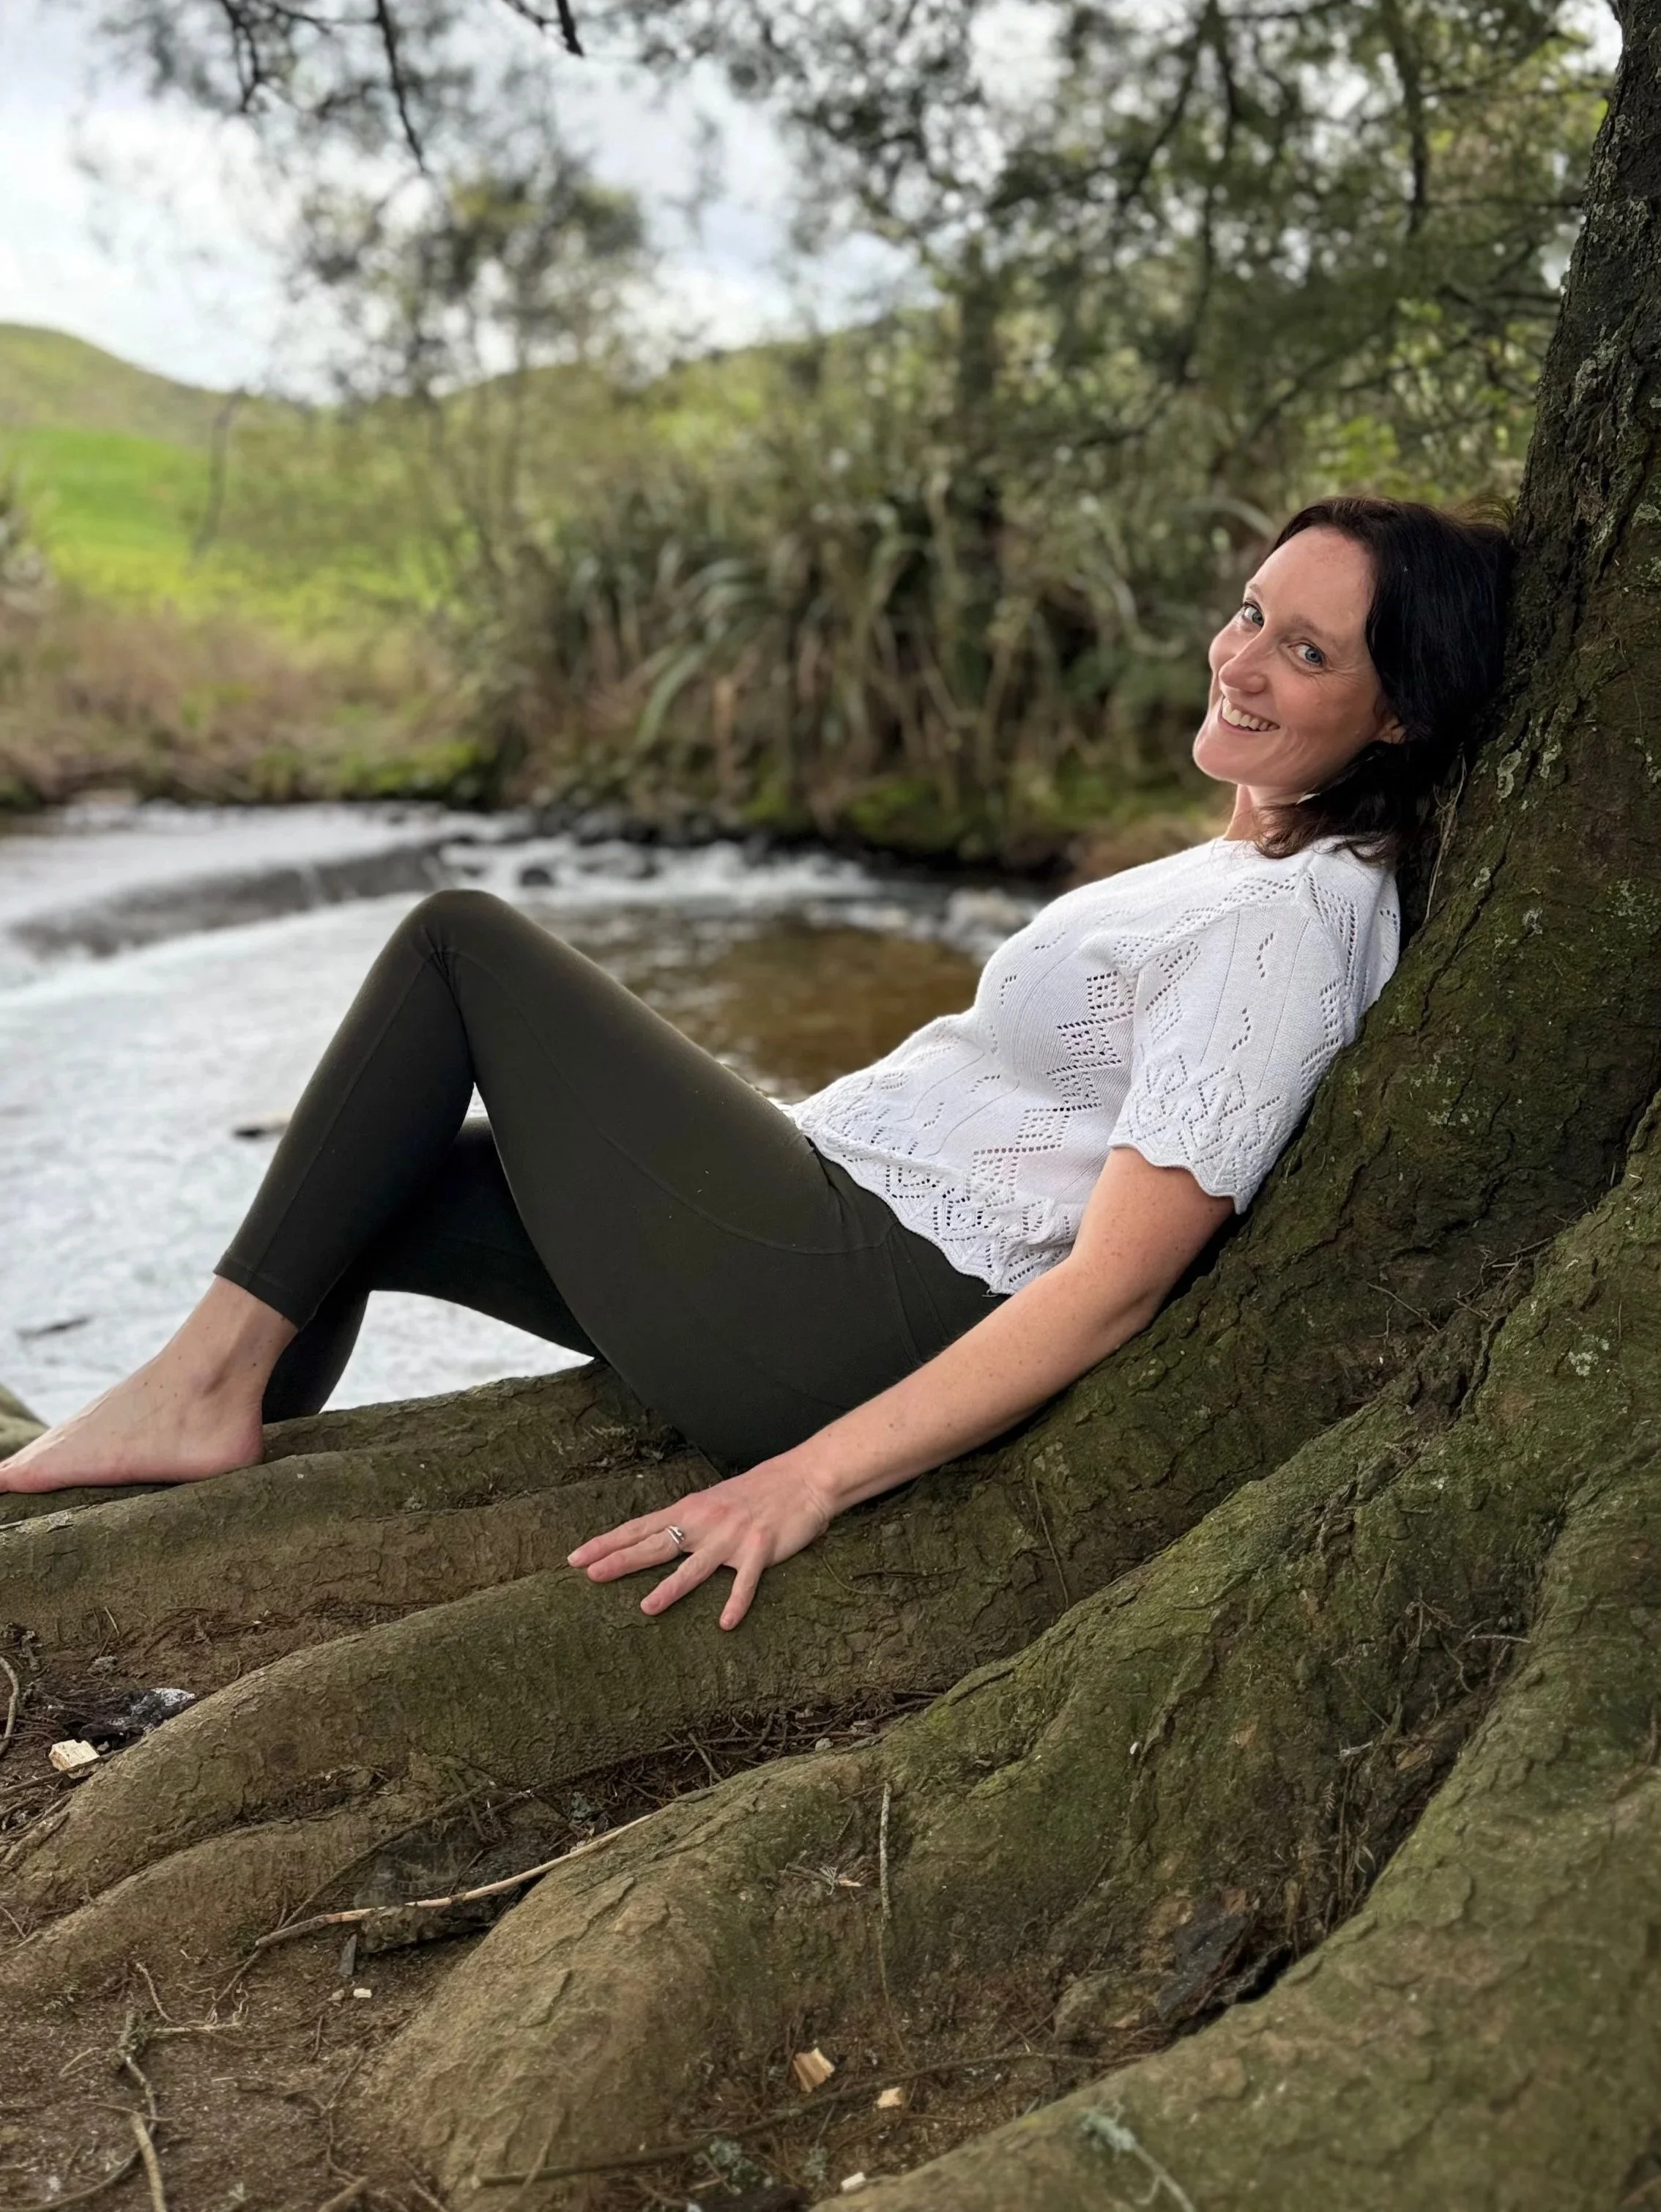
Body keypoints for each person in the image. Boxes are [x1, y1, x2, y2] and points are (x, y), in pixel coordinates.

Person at [1, 494, 1511, 1630]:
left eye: (1303, 650)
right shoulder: (1238, 865)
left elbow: (1111, 1288)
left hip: (854, 1302)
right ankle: (202, 1492)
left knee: (463, 943)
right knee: (374, 1189)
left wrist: (811, 1477)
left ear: (1396, 711)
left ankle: (189, 1392)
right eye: (1252, 608)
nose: (1240, 656)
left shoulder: (1293, 928)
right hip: (815, 1227)